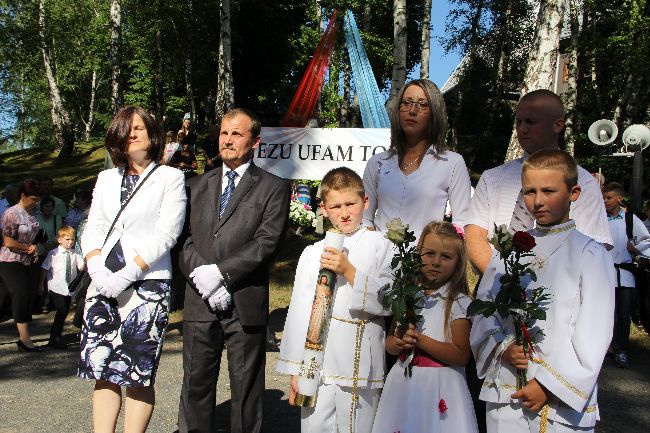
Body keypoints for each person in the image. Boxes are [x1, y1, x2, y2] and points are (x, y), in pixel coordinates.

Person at [470, 149, 615, 433]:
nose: (537, 201)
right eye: (529, 191)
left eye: (549, 191)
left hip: (558, 401)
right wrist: (502, 347)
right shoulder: (507, 253)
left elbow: (595, 330)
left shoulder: (590, 254)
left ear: (574, 193)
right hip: (507, 389)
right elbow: (485, 308)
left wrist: (549, 385)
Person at [177, 107, 291, 433]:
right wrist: (204, 277)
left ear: (255, 141)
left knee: (246, 391)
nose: (227, 140)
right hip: (199, 301)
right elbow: (182, 239)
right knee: (195, 385)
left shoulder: (273, 186)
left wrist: (223, 275)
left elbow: (267, 242)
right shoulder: (194, 186)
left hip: (244, 301)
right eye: (225, 133)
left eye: (236, 134)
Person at [78, 106, 186, 432]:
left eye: (139, 128)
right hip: (103, 281)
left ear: (152, 133)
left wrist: (129, 272)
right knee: (103, 370)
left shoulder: (170, 176)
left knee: (137, 372)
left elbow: (167, 232)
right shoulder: (106, 178)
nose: (133, 133)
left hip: (148, 282)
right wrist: (96, 267)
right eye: (126, 129)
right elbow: (94, 225)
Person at [277, 167, 393, 433]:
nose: (344, 213)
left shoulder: (382, 246)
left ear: (365, 202)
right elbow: (299, 311)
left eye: (350, 204)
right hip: (317, 365)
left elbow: (389, 301)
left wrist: (349, 271)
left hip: (360, 362)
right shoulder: (311, 252)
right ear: (323, 208)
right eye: (336, 206)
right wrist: (296, 368)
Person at [466, 90, 612, 275]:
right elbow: (474, 236)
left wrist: (536, 291)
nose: (522, 129)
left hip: (553, 292)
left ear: (558, 125)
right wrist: (500, 284)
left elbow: (591, 248)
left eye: (531, 122)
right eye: (519, 121)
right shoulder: (493, 178)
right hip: (493, 286)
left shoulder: (582, 181)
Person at [371, 221, 478, 433]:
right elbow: (390, 344)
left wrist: (420, 340)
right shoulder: (407, 296)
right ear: (418, 254)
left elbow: (460, 355)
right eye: (429, 254)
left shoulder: (458, 302)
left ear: (458, 262)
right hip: (403, 382)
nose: (436, 262)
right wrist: (398, 342)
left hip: (441, 387)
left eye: (446, 257)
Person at [362, 79, 472, 241]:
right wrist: (374, 249)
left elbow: (462, 223)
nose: (412, 110)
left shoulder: (452, 163)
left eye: (422, 104)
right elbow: (364, 217)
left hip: (425, 262)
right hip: (377, 260)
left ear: (435, 112)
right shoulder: (377, 163)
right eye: (406, 103)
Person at [602, 182, 650, 368]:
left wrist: (635, 247)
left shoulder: (630, 219)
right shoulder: (599, 219)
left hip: (625, 274)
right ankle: (606, 346)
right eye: (604, 198)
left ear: (619, 198)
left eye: (609, 197)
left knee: (623, 314)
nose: (605, 201)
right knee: (606, 313)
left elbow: (646, 240)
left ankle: (621, 348)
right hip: (604, 273)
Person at [0, 178, 42, 351]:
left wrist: (35, 248)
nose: (35, 202)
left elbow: (33, 237)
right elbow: (8, 241)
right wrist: (27, 248)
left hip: (25, 261)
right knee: (21, 294)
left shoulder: (32, 215)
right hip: (9, 260)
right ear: (23, 196)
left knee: (3, 297)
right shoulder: (11, 213)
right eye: (33, 199)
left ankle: (24, 338)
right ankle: (24, 339)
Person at [40, 225, 84, 349]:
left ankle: (56, 335)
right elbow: (44, 269)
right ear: (59, 239)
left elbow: (81, 266)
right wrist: (41, 286)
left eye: (72, 240)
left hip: (69, 289)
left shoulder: (75, 254)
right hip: (56, 287)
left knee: (63, 312)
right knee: (61, 310)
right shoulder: (53, 253)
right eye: (67, 239)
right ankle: (54, 337)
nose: (70, 242)